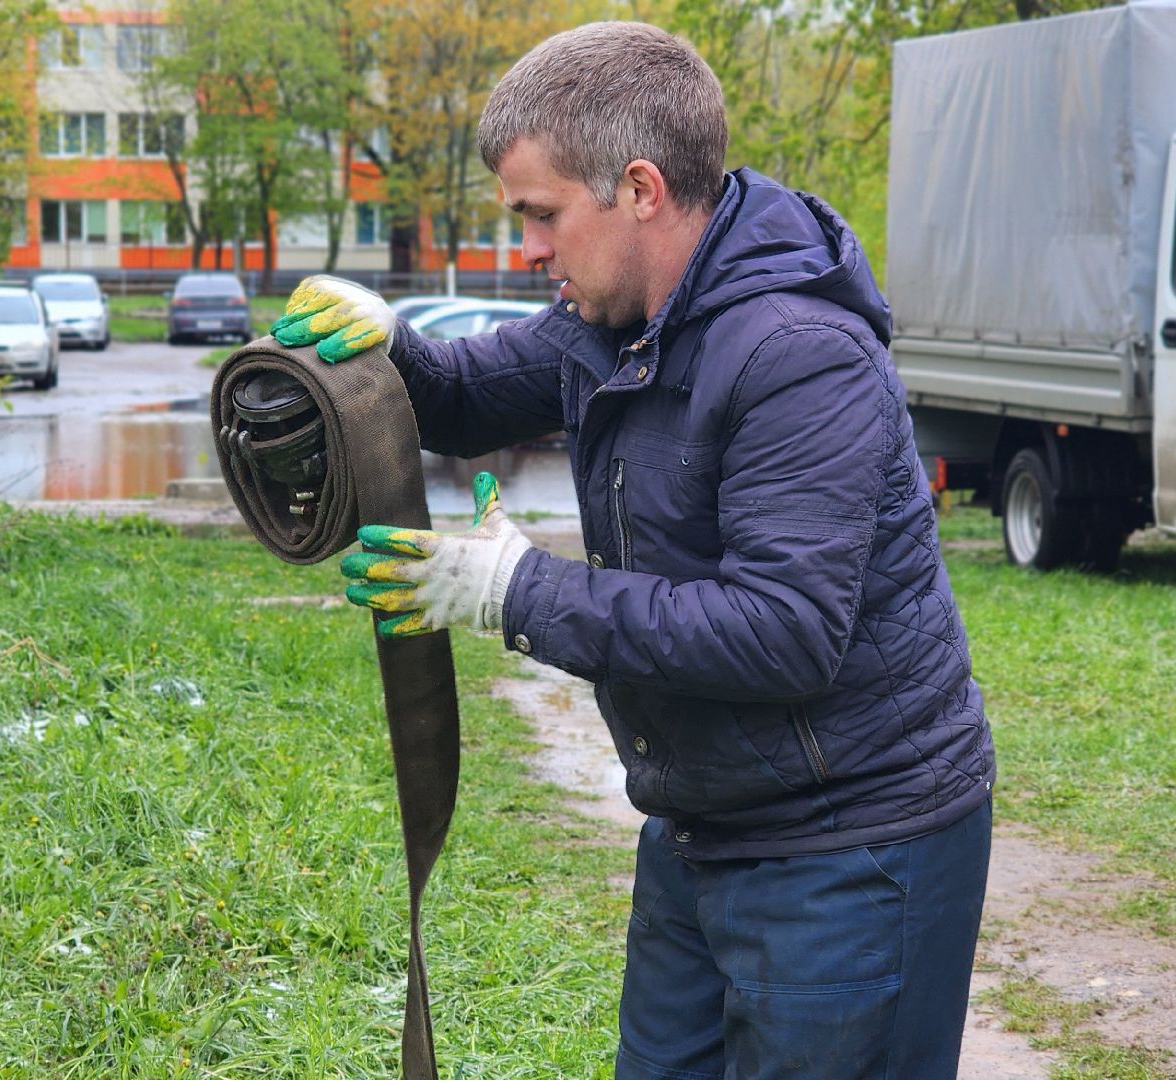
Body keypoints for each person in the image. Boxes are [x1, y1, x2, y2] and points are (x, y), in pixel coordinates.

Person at [273, 21, 994, 1079]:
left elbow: (781, 635)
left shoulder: (799, 355)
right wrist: (385, 343)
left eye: (541, 215)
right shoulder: (608, 323)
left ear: (641, 189)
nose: (527, 248)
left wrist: (513, 590)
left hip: (854, 848)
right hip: (700, 828)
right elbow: (467, 396)